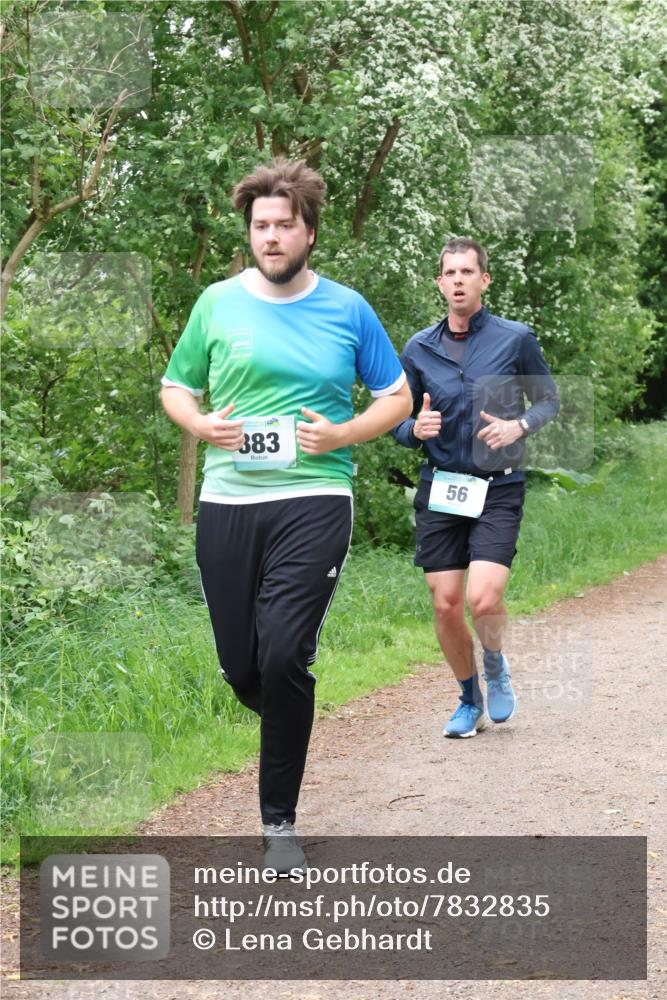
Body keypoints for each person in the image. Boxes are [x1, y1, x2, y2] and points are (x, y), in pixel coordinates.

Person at [160, 158, 412, 871]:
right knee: (244, 668)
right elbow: (176, 388)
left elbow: (395, 397)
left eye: (283, 226)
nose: (270, 238)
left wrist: (341, 433)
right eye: (260, 226)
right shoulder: (216, 303)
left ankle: (279, 825)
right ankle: (285, 704)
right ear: (249, 232)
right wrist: (201, 424)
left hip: (314, 495)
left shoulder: (346, 308)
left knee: (282, 655)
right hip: (230, 499)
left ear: (308, 233)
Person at [391, 238, 559, 738]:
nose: (459, 280)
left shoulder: (515, 339)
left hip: (498, 487)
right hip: (442, 488)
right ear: (440, 283)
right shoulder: (419, 348)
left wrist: (518, 427)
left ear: (485, 280)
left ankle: (494, 662)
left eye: (468, 271)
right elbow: (399, 417)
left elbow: (548, 401)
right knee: (445, 603)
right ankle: (468, 699)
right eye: (451, 272)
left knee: (483, 600)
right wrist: (411, 431)